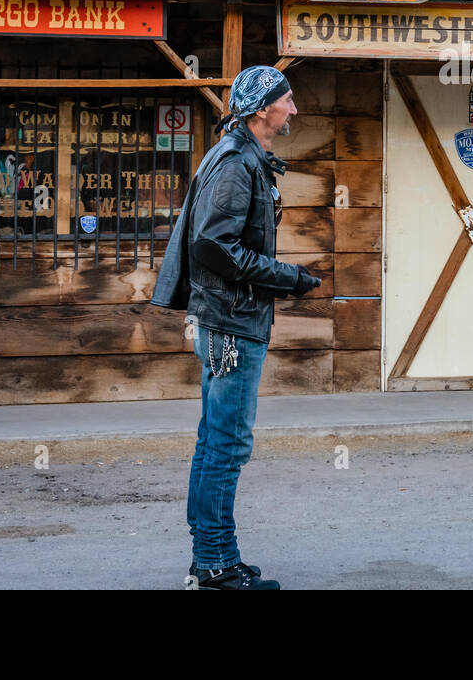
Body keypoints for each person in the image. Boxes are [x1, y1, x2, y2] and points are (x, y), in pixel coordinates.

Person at [152, 64, 320, 590]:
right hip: (230, 324)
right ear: (262, 108)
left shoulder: (244, 156)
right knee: (227, 444)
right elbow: (212, 246)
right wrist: (288, 277)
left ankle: (213, 556)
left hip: (232, 318)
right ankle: (216, 564)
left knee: (216, 441)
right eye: (287, 100)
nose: (293, 108)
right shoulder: (234, 162)